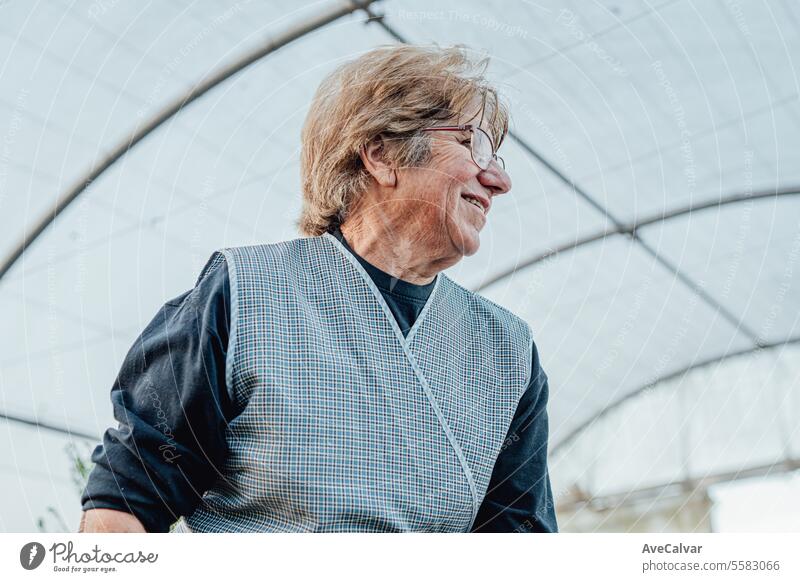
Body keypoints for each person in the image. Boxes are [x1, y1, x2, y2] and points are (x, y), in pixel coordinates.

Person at [79, 45, 557, 533]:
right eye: (473, 144)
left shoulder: (506, 352)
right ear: (382, 154)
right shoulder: (244, 297)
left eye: (496, 156)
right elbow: (125, 504)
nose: (499, 179)